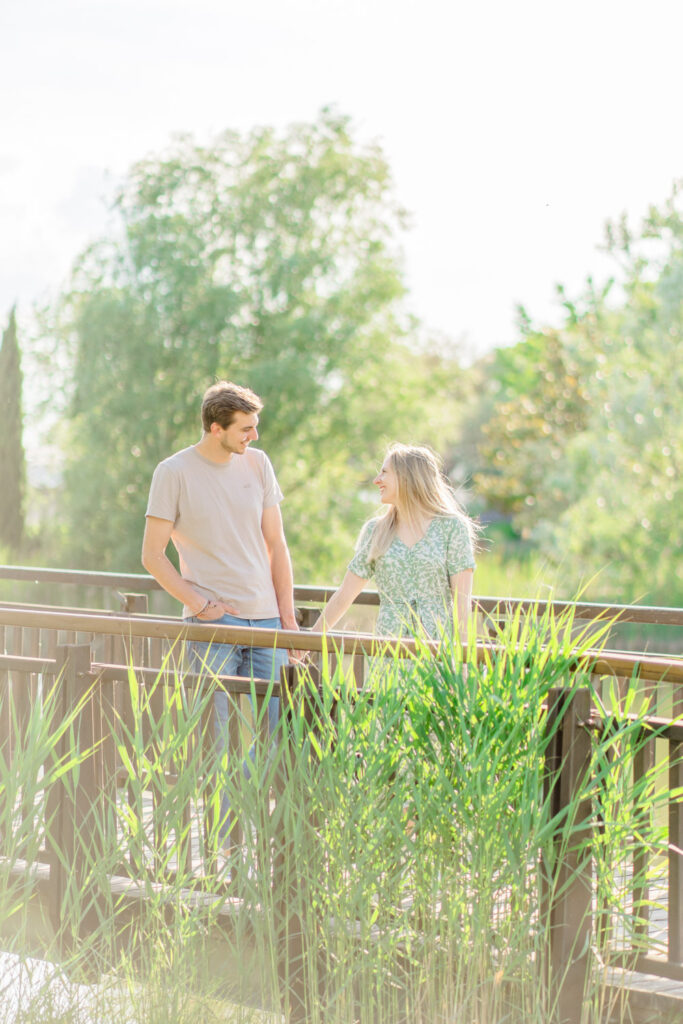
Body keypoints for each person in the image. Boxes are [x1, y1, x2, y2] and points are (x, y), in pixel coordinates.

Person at [141, 380, 298, 847]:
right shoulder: (173, 472)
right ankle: (222, 848)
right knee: (215, 738)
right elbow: (152, 555)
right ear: (216, 428)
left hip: (266, 620)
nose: (253, 436)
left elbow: (277, 546)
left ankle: (250, 823)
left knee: (281, 734)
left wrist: (288, 623)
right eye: (246, 429)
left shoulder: (259, 463)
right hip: (214, 626)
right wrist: (198, 605)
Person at [311, 443, 476, 643]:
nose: (376, 480)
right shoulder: (376, 531)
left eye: (384, 472)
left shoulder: (452, 527)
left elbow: (462, 604)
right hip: (388, 649)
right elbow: (344, 595)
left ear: (407, 477)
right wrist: (309, 640)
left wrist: (463, 663)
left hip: (438, 650)